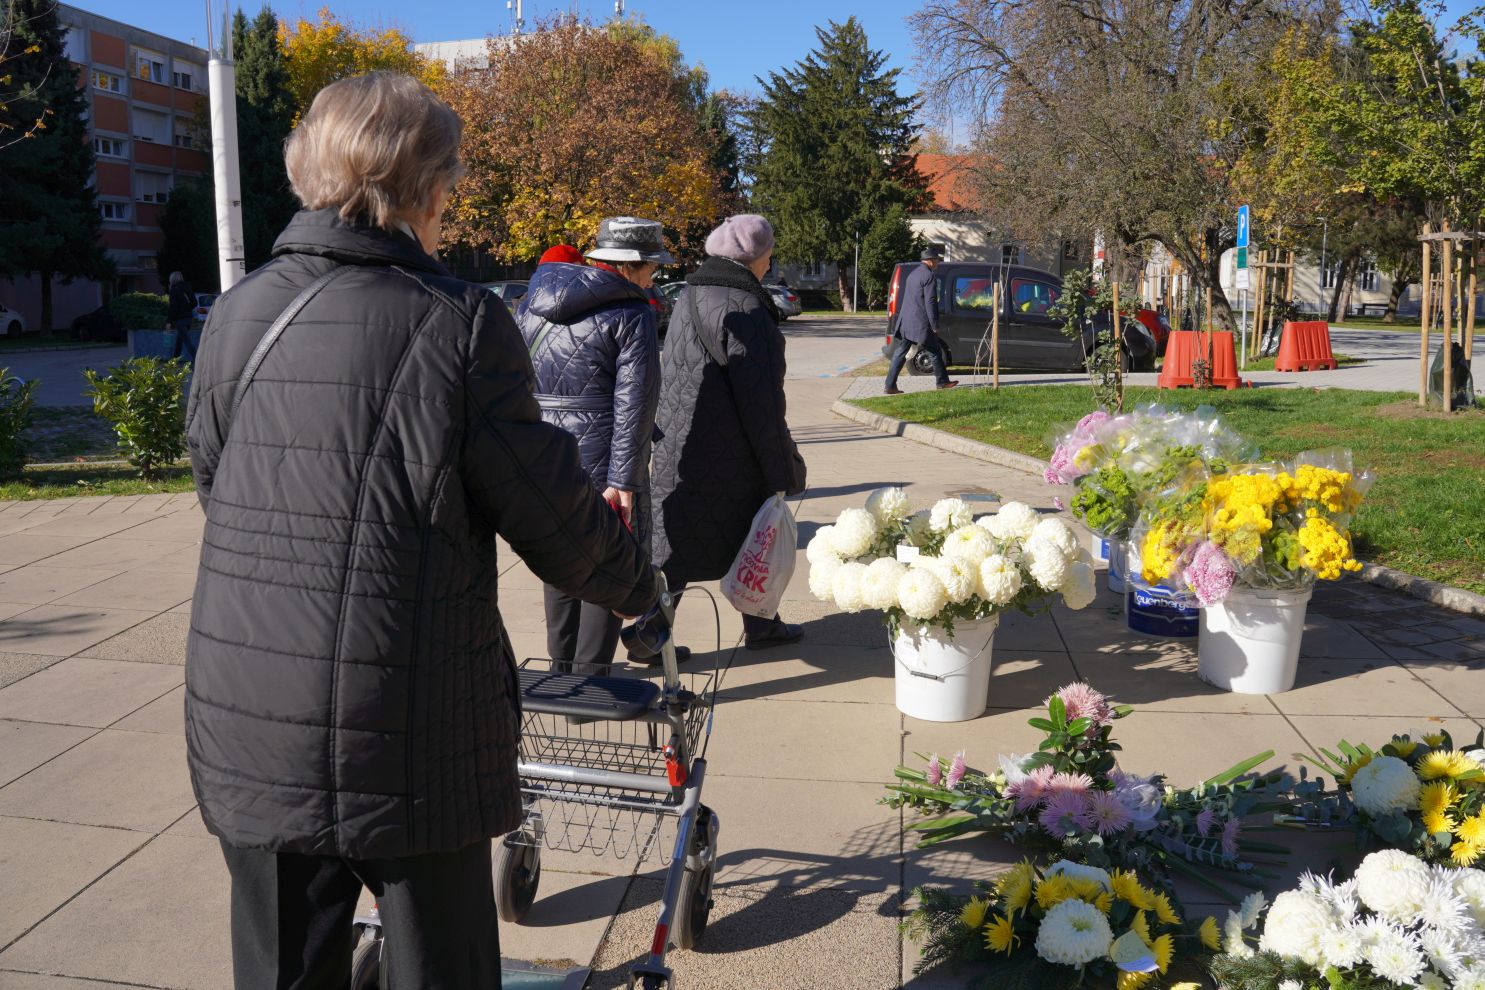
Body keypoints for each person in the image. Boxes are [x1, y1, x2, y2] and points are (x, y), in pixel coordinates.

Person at [183, 72, 656, 989]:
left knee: (282, 968)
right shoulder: (460, 323)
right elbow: (553, 518)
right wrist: (639, 586)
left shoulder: (238, 309)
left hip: (249, 704)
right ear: (429, 190)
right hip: (410, 721)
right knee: (440, 966)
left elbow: (217, 480)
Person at [517, 218, 675, 672]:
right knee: (607, 566)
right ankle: (591, 680)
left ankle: (560, 671)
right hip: (605, 456)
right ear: (629, 265)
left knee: (559, 558)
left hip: (545, 455)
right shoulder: (631, 313)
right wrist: (623, 480)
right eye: (651, 268)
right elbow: (635, 403)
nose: (653, 278)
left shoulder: (530, 304)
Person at [646, 213, 808, 651]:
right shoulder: (748, 308)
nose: (769, 262)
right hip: (731, 453)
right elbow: (763, 403)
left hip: (678, 443)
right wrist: (783, 468)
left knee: (676, 545)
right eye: (768, 254)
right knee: (753, 534)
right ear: (754, 256)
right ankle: (761, 624)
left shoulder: (690, 295)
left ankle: (648, 636)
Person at [883, 247, 957, 394]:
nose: (938, 263)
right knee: (935, 351)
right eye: (937, 260)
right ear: (930, 261)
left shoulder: (913, 274)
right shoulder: (929, 276)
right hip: (920, 323)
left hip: (906, 321)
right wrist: (934, 325)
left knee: (900, 352)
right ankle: (942, 382)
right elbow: (930, 301)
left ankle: (889, 385)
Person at [166, 271, 197, 361]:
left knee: (187, 342)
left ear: (172, 279)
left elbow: (173, 308)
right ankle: (174, 360)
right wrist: (187, 309)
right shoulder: (187, 288)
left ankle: (198, 360)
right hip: (188, 319)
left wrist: (169, 321)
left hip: (180, 320)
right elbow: (194, 303)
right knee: (179, 340)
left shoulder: (174, 290)